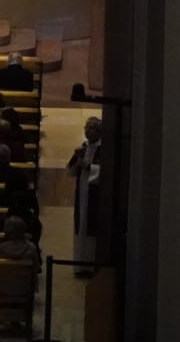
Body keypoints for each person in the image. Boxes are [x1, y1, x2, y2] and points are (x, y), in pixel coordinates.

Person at [67, 116, 103, 272]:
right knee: (81, 224)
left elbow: (103, 171)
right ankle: (80, 264)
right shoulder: (84, 146)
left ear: (99, 132)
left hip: (95, 192)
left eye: (92, 128)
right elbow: (71, 171)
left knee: (92, 225)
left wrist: (88, 166)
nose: (88, 131)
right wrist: (77, 157)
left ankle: (90, 264)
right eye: (86, 127)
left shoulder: (103, 148)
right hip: (82, 190)